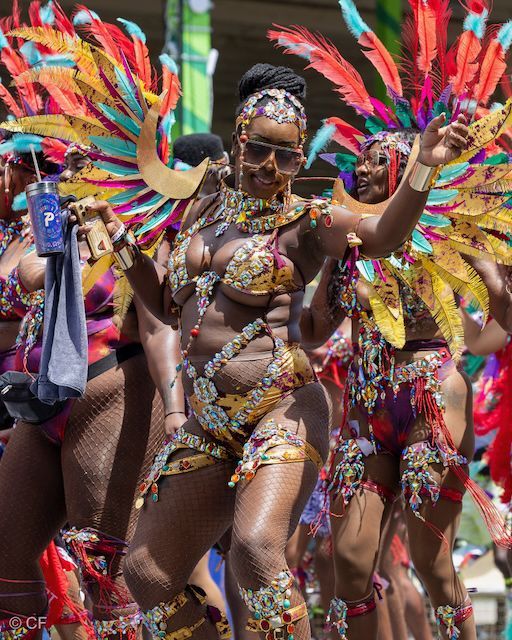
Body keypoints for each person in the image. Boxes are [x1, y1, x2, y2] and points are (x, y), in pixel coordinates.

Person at [70, 56, 469, 640]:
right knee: (145, 573)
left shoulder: (304, 224)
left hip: (280, 408)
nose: (270, 166)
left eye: (286, 155)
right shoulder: (199, 214)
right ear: (238, 141)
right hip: (210, 423)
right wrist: (118, 238)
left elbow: (383, 236)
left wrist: (423, 171)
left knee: (257, 550)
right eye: (259, 149)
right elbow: (161, 301)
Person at [270, 1, 512, 638]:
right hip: (366, 400)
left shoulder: (452, 233)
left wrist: (496, 283)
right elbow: (316, 332)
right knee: (347, 563)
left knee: (433, 567)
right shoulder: (348, 242)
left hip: (433, 392)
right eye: (366, 157)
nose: (367, 164)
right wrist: (330, 271)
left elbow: (502, 314)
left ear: (412, 169)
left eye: (384, 157)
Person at [0, 9, 185, 639]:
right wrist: (51, 224)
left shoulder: (148, 215)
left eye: (87, 137)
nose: (70, 152)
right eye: (63, 140)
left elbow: (160, 312)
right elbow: (22, 276)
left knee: (103, 574)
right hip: (39, 403)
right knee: (6, 564)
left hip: (110, 390)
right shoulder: (46, 209)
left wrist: (178, 412)